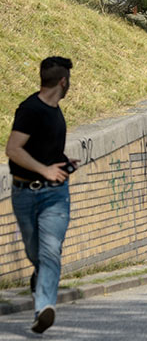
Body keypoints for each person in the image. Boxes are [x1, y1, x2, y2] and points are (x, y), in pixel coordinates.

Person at [6, 56, 78, 334]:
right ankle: (40, 276)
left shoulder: (56, 112)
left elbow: (42, 150)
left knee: (50, 251)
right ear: (63, 81)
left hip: (55, 196)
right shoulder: (31, 109)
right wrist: (44, 169)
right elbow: (13, 149)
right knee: (34, 250)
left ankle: (44, 308)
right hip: (24, 192)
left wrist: (61, 162)